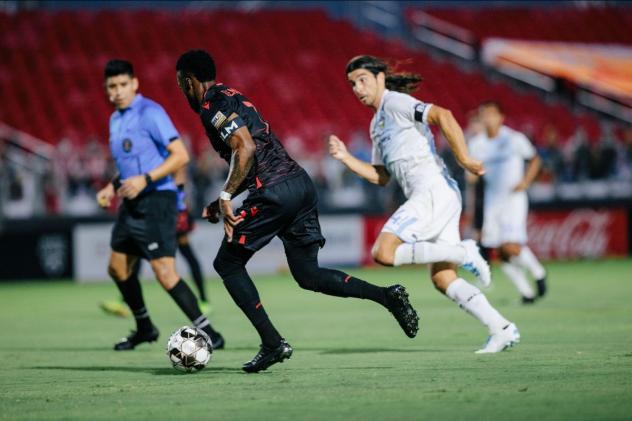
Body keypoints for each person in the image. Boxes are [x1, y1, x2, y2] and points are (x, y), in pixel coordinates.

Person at [175, 49, 419, 373]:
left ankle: (273, 344)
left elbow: (245, 148)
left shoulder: (212, 106)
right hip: (299, 185)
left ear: (188, 81)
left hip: (273, 192)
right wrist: (223, 199)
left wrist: (226, 194)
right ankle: (387, 296)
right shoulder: (234, 96)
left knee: (228, 263)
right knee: (308, 275)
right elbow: (255, 154)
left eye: (181, 84)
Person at [328, 55, 519, 353]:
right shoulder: (377, 124)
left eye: (363, 79)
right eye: (353, 83)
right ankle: (502, 329)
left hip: (432, 191)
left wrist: (465, 158)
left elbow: (443, 115)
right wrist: (346, 159)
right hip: (436, 196)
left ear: (380, 78)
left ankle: (464, 251)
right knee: (443, 278)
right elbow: (381, 177)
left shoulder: (395, 102)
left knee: (383, 252)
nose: (357, 88)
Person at [96, 59, 224, 351]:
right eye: (111, 87)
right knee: (117, 268)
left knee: (165, 273)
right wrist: (110, 187)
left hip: (158, 201)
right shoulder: (115, 119)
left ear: (135, 83)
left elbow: (180, 155)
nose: (117, 91)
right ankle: (144, 327)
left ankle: (210, 333)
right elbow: (129, 167)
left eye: (122, 85)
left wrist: (145, 179)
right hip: (131, 203)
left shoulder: (150, 112)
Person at [99, 165, 211, 318]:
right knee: (137, 254)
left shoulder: (170, 155)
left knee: (186, 252)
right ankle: (124, 301)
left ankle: (204, 301)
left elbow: (180, 174)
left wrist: (178, 205)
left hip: (173, 209)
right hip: (156, 208)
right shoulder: (152, 157)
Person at [467, 101, 547, 304]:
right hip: (492, 201)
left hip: (513, 199)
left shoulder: (514, 139)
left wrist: (526, 182)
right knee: (498, 251)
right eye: (484, 115)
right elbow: (472, 173)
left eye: (492, 114)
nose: (488, 119)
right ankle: (527, 293)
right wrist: (472, 175)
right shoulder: (476, 143)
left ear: (501, 117)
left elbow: (535, 159)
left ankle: (538, 272)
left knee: (511, 246)